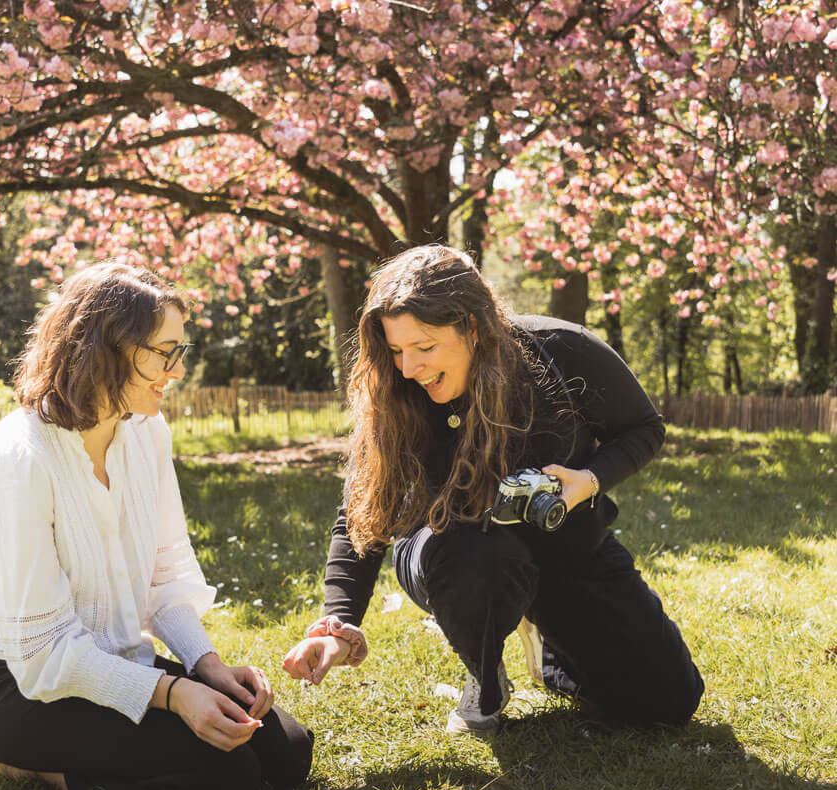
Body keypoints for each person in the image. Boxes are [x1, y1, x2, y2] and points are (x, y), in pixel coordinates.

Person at [283, 245, 703, 738]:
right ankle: (483, 674)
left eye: (424, 347)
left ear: (473, 328)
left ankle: (546, 641)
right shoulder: (395, 394)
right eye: (396, 350)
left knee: (668, 701)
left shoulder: (561, 351)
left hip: (563, 546)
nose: (407, 368)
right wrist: (338, 620)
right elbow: (362, 513)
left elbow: (644, 428)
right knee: (476, 560)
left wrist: (587, 481)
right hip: (452, 553)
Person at [0, 262, 313, 790]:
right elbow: (45, 655)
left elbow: (162, 575)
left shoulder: (145, 432)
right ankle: (32, 767)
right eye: (163, 352)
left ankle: (114, 754)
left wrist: (207, 668)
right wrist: (175, 695)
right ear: (107, 348)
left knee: (288, 753)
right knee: (230, 778)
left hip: (115, 660)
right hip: (19, 688)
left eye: (179, 353)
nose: (175, 371)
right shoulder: (21, 458)